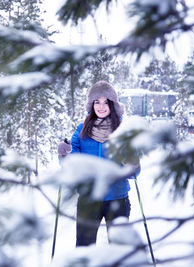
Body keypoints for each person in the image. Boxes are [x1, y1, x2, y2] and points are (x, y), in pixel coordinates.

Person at [60, 80, 139, 246]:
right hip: (89, 199)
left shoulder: (123, 132)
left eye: (105, 102)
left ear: (113, 105)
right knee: (85, 250)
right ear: (91, 104)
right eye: (97, 102)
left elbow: (135, 173)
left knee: (119, 251)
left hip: (117, 198)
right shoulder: (81, 130)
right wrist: (64, 154)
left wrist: (131, 162)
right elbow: (71, 166)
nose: (101, 107)